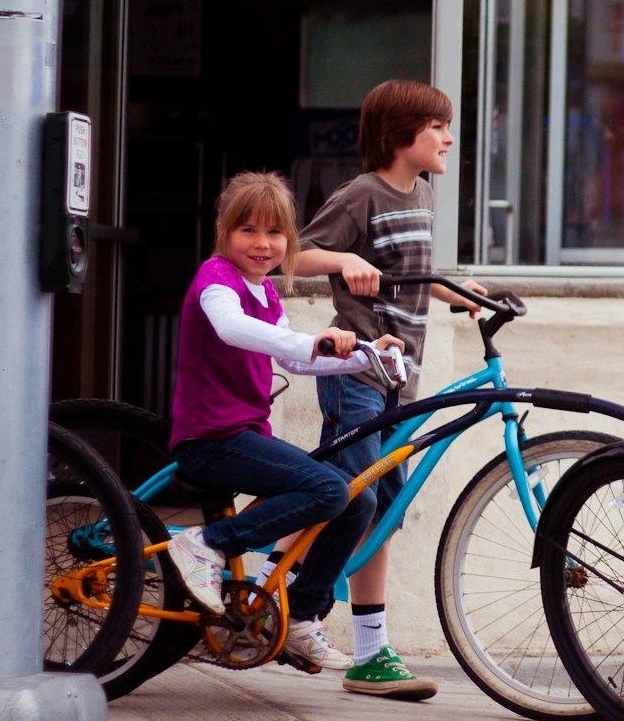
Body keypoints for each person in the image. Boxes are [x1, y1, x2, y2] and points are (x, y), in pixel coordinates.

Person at [273, 79, 485, 700]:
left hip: (400, 382)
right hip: (358, 375)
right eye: (437, 128)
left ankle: (368, 650)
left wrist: (469, 296)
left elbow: (410, 277)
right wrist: (342, 261)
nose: (449, 138)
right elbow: (296, 253)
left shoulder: (419, 195)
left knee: (380, 509)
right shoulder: (363, 194)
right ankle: (275, 597)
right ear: (402, 136)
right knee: (347, 496)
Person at [162, 171, 403, 673]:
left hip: (246, 437)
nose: (262, 243)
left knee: (357, 496)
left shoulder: (267, 295)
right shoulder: (216, 279)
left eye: (274, 234)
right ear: (224, 234)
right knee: (328, 492)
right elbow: (231, 329)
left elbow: (299, 361)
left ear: (288, 242)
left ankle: (299, 617)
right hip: (211, 440)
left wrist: (365, 355)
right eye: (247, 230)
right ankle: (205, 545)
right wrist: (311, 340)